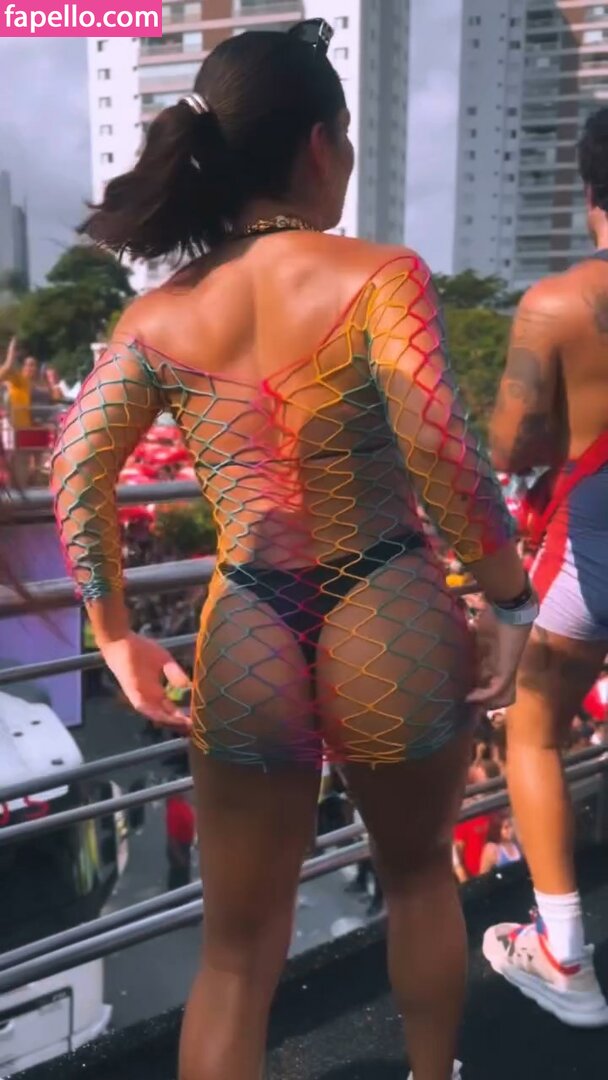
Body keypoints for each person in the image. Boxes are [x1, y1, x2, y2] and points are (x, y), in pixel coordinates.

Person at [51, 21, 535, 1080]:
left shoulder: (158, 316)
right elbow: (441, 451)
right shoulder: (379, 276)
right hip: (387, 603)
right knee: (419, 882)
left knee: (233, 954)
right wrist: (508, 603)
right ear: (320, 144)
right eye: (346, 138)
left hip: (248, 618)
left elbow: (74, 469)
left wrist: (116, 636)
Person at [483, 108, 608, 1027]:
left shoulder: (560, 305)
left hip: (596, 541)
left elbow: (508, 442)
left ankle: (563, 955)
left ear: (588, 187)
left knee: (531, 727)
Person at [166, 790, 196, 890]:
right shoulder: (174, 809)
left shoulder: (182, 803)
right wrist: (179, 857)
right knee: (179, 880)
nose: (185, 793)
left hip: (185, 847)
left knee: (184, 878)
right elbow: (172, 838)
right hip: (179, 848)